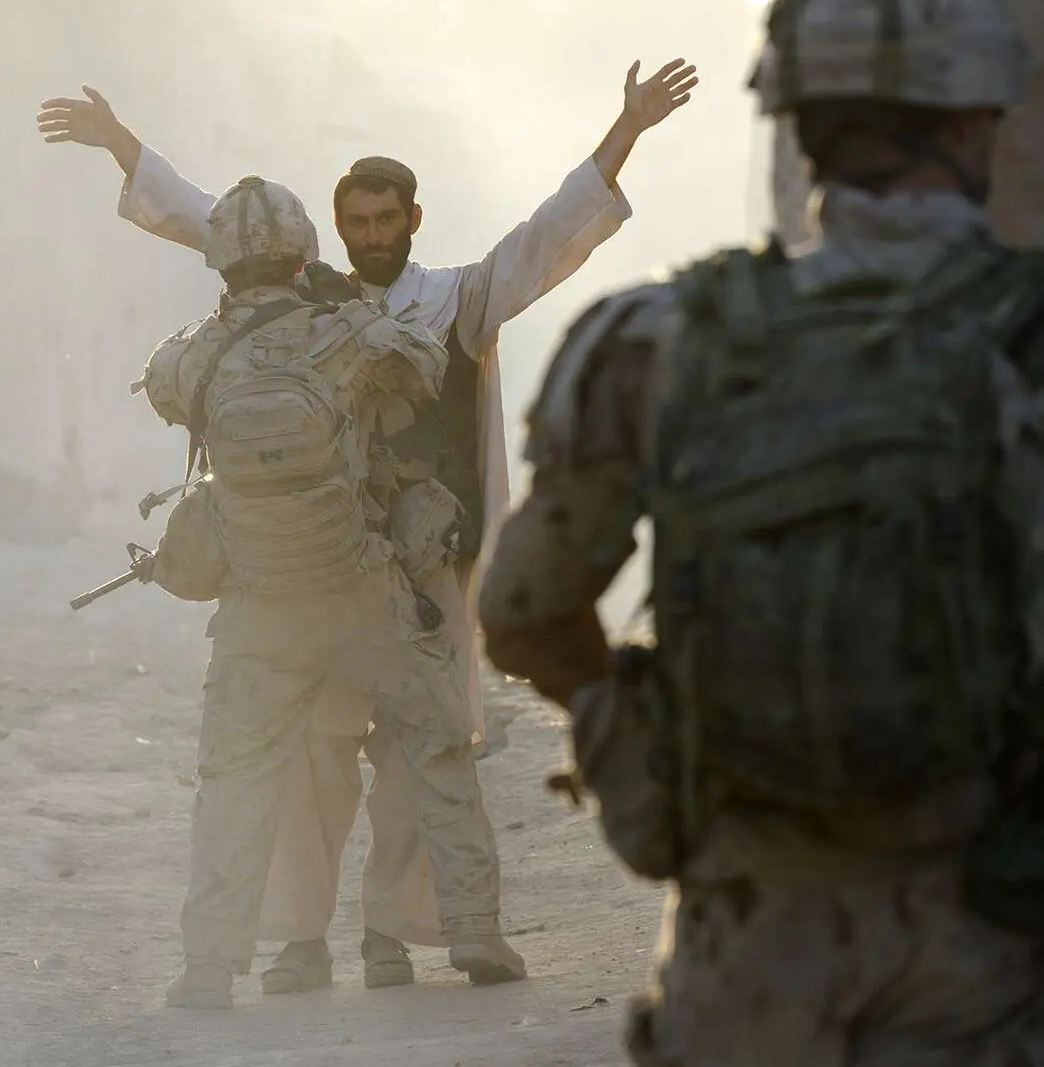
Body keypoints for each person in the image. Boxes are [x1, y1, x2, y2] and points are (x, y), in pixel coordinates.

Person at [36, 60, 695, 991]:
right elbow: (211, 221)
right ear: (335, 229)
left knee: (420, 754)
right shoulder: (314, 300)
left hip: (427, 565)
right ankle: (302, 940)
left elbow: (550, 234)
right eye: (358, 222)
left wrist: (625, 132)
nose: (374, 235)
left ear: (413, 220)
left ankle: (395, 935)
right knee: (317, 760)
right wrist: (121, 145)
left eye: (388, 220)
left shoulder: (457, 297)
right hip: (314, 567)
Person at [477, 0, 1044, 1063]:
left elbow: (521, 610)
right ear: (981, 117)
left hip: (742, 948)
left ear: (793, 124)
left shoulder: (655, 338)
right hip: (988, 947)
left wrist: (641, 768)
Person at [136, 173, 515, 1008]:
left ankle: (208, 967)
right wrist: (340, 314)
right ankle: (475, 931)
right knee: (435, 742)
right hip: (360, 585)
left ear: (222, 259)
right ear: (304, 250)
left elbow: (165, 392)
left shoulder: (193, 353)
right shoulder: (351, 332)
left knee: (235, 777)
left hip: (259, 605)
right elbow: (424, 368)